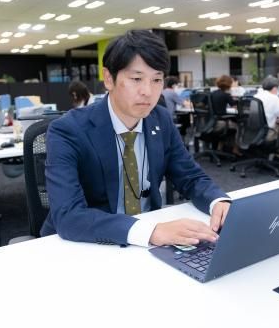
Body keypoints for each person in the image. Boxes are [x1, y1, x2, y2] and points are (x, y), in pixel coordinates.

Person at [41, 30, 230, 246]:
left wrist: (217, 201)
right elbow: (69, 216)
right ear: (109, 79)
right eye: (136, 79)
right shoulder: (68, 130)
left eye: (156, 79)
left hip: (148, 244)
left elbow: (190, 176)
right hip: (87, 244)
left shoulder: (160, 119)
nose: (147, 91)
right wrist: (150, 232)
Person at [254, 77, 279, 141]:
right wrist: (274, 120)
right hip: (267, 134)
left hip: (253, 133)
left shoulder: (255, 96)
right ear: (275, 88)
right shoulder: (274, 98)